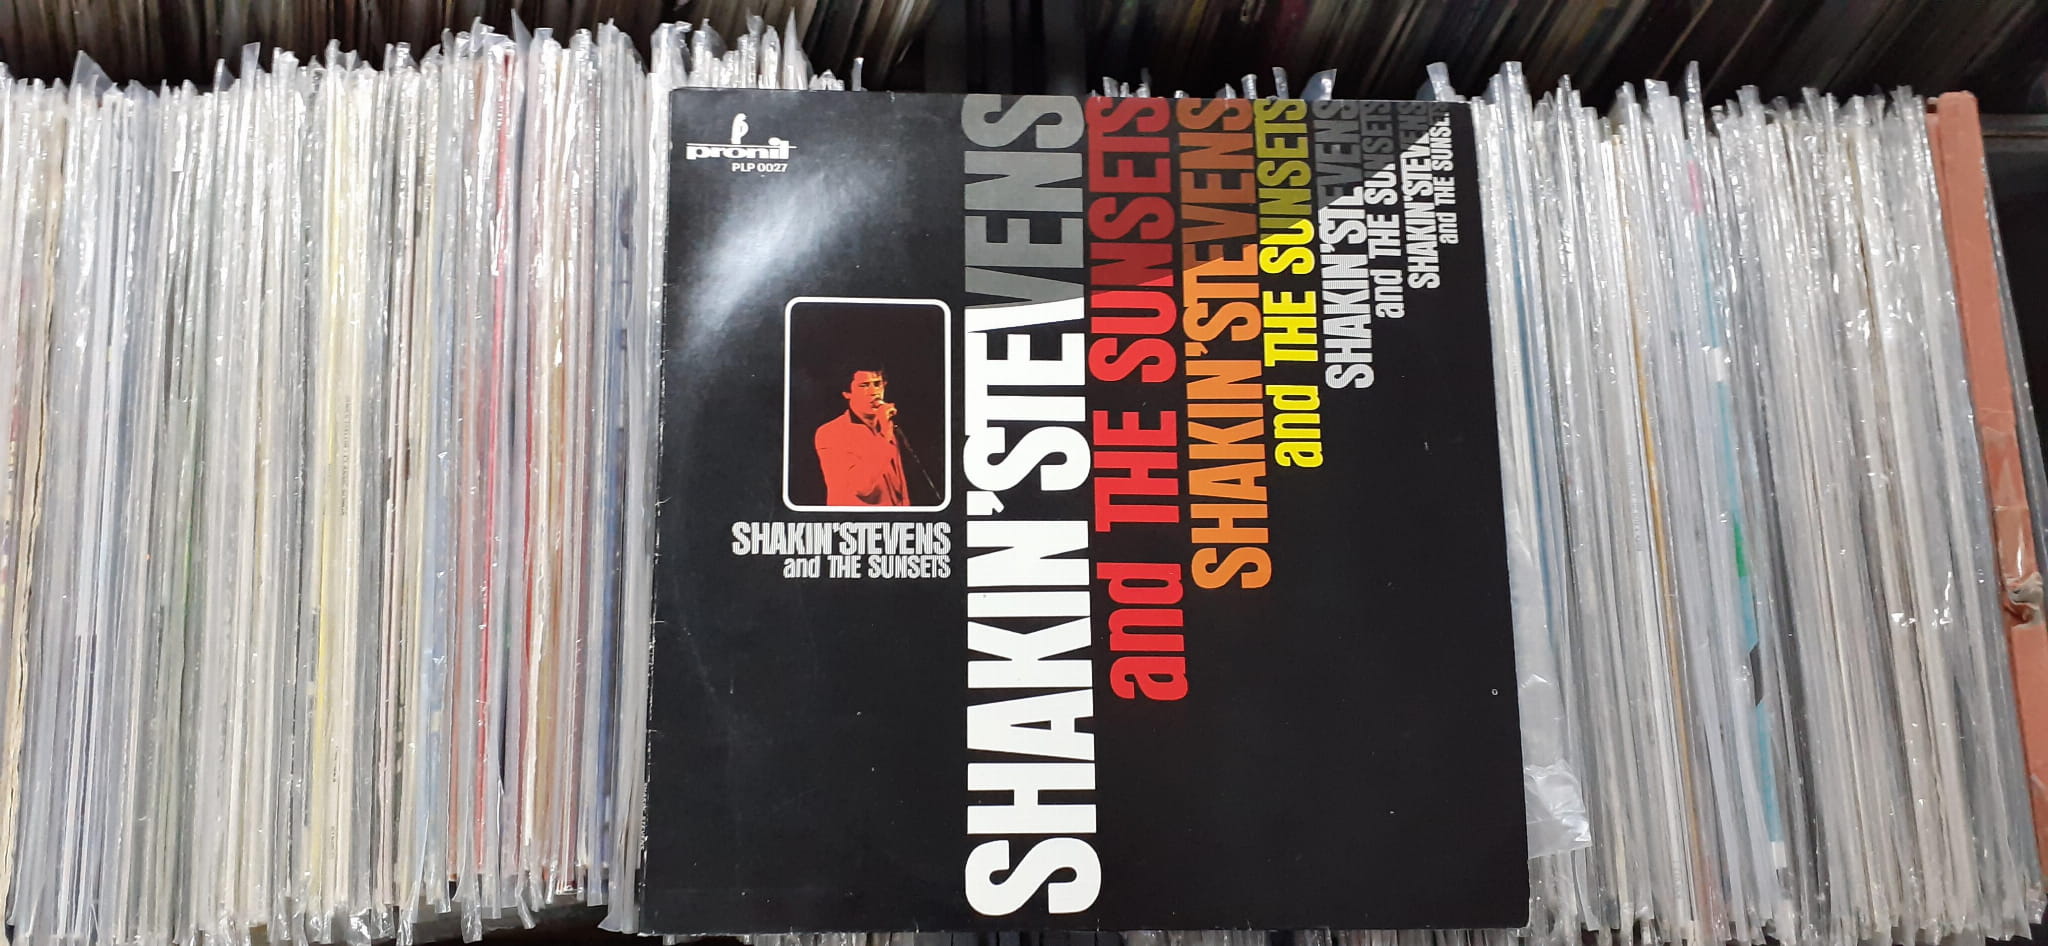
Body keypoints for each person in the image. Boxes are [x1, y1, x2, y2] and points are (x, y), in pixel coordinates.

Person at [814, 368, 909, 506]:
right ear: (847, 393)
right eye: (864, 385)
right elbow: (861, 486)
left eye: (877, 384)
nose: (874, 392)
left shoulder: (887, 427)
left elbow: (899, 489)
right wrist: (884, 436)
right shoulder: (830, 433)